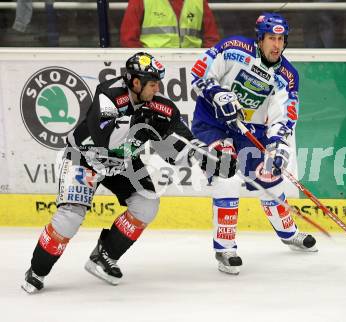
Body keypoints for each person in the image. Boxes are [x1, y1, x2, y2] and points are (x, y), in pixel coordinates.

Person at [21, 52, 236, 294]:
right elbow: (105, 139)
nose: (157, 90)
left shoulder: (160, 107)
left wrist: (208, 160)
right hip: (85, 158)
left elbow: (179, 145)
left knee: (146, 205)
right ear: (136, 82)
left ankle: (104, 256)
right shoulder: (109, 94)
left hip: (123, 162)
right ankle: (37, 270)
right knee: (70, 216)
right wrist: (138, 121)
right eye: (152, 84)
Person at [190, 12, 318, 275]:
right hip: (211, 124)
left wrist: (278, 146)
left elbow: (284, 115)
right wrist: (218, 94)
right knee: (226, 175)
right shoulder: (234, 48)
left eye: (281, 39)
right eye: (271, 38)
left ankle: (288, 232)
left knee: (269, 178)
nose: (277, 45)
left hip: (249, 131)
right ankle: (225, 248)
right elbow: (199, 73)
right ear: (260, 39)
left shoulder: (287, 75)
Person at [120, 0, 220, 48]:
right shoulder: (140, 1)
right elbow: (128, 40)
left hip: (192, 63)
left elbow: (212, 39)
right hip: (152, 67)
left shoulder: (198, 1)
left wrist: (204, 62)